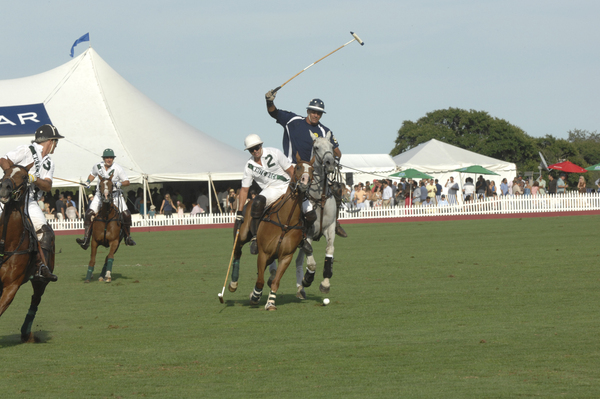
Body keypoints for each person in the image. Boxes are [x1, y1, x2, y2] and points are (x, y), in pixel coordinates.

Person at [264, 90, 347, 238]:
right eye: (314, 111)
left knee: (335, 190)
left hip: (313, 173)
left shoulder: (324, 130)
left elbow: (337, 152)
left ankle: (334, 222)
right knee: (275, 196)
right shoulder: (292, 120)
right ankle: (263, 225)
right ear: (308, 110)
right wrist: (269, 101)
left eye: (319, 113)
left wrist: (332, 158)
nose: (316, 115)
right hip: (290, 168)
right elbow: (273, 113)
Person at [0, 124, 65, 281]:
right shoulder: (27, 149)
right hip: (10, 195)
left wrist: (33, 178)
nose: (56, 145)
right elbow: (3, 160)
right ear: (50, 141)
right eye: (56, 142)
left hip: (30, 201)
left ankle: (40, 266)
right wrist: (15, 177)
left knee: (45, 232)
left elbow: (48, 186)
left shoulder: (49, 162)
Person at [235, 134, 314, 255]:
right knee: (257, 203)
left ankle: (302, 239)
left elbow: (291, 170)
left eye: (257, 147)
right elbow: (244, 189)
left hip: (289, 186)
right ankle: (256, 238)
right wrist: (240, 212)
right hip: (271, 189)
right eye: (252, 149)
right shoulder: (249, 166)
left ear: (261, 145)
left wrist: (299, 186)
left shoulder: (274, 152)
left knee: (311, 214)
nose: (255, 151)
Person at [76, 148, 136, 249]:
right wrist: (88, 182)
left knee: (127, 215)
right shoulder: (97, 166)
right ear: (103, 158)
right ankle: (86, 239)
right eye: (107, 158)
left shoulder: (118, 168)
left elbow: (127, 181)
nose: (109, 159)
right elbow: (92, 174)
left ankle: (127, 237)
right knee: (88, 214)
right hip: (100, 195)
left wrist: (120, 183)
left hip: (115, 196)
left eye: (111, 158)